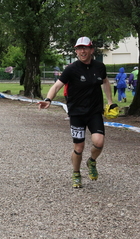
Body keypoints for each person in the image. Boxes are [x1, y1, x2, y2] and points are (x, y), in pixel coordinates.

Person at [38, 36, 114, 188]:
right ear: (76, 51)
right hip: (77, 113)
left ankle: (91, 161)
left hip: (94, 112)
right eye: (79, 48)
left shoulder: (100, 67)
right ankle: (76, 173)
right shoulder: (71, 69)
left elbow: (105, 82)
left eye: (85, 48)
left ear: (91, 49)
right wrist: (48, 99)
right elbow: (56, 86)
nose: (82, 51)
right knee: (79, 147)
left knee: (99, 142)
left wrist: (110, 102)